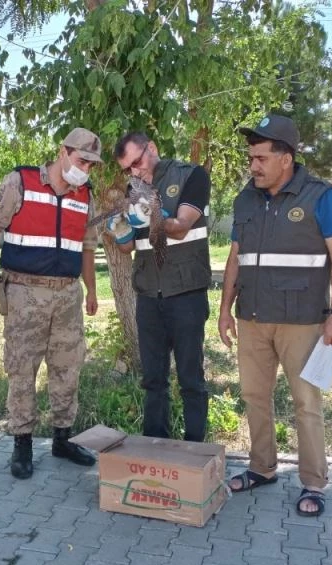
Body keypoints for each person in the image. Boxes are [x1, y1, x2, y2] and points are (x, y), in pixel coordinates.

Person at [218, 114, 332, 517]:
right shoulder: (246, 198)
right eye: (250, 157)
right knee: (254, 397)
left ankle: (313, 482)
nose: (252, 165)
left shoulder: (321, 196)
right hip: (253, 317)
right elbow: (235, 259)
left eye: (260, 158)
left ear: (286, 158)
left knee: (306, 401)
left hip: (303, 321)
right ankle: (262, 467)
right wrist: (224, 310)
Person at [0, 127, 101, 479]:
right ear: (63, 152)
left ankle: (62, 437)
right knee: (22, 368)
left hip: (67, 294)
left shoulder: (85, 195)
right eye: (82, 160)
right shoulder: (21, 181)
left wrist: (90, 290)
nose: (86, 169)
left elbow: (87, 247)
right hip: (24, 292)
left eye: (92, 164)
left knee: (67, 367)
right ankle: (22, 443)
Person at [108, 132, 212, 442]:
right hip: (149, 295)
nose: (134, 173)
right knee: (153, 380)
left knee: (190, 379)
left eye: (136, 163)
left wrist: (154, 217)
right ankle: (155, 447)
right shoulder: (133, 190)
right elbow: (130, 249)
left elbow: (180, 228)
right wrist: (121, 231)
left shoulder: (191, 176)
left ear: (152, 147)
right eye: (127, 169)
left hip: (186, 294)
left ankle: (196, 452)